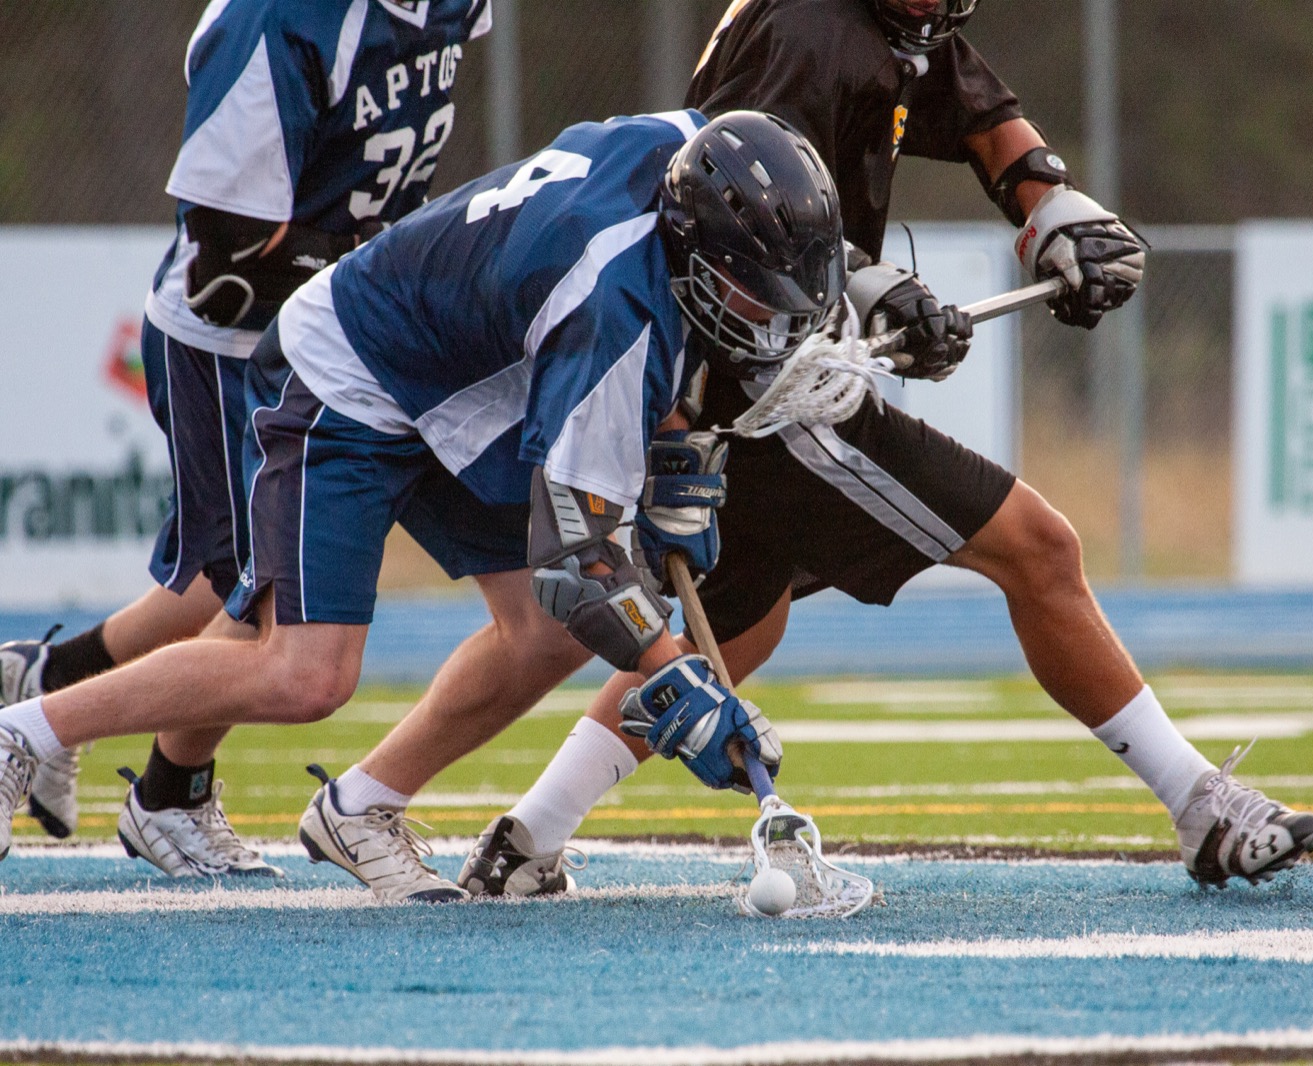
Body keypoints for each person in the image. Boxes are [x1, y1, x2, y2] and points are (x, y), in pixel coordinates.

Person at [449, 0, 1313, 895]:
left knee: (744, 622)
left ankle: (526, 839)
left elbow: (982, 116)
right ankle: (1202, 809)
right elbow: (741, 228)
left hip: (758, 380)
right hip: (768, 395)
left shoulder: (886, 24)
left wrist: (1051, 208)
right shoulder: (805, 31)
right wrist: (872, 293)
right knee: (1038, 549)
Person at [0, 108, 843, 900]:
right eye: (754, 296)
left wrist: (674, 432)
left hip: (461, 378)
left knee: (542, 636)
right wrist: (677, 681)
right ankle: (25, 733)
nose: (772, 324)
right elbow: (579, 563)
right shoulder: (610, 302)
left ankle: (360, 805)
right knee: (306, 672)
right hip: (352, 369)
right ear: (694, 247)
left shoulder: (689, 146)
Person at [0, 0, 491, 876]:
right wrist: (374, 273)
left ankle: (45, 679)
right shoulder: (281, 18)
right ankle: (164, 794)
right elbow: (223, 254)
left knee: (222, 588)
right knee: (258, 597)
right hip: (235, 338)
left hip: (360, 335)